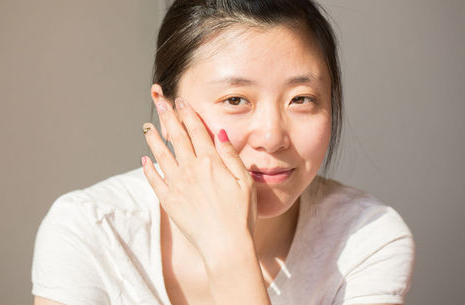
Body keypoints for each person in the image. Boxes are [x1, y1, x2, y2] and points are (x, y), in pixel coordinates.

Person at [31, 1, 415, 304]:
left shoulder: (365, 239)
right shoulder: (92, 230)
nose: (272, 136)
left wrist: (230, 254)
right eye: (235, 99)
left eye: (301, 99)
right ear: (165, 109)